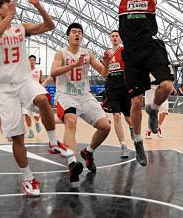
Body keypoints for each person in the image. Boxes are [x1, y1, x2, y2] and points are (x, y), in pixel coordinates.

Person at [0, 0, 72, 197]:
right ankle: (27, 178)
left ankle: (53, 142)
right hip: (4, 88)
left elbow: (50, 26)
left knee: (43, 98)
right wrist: (10, 17)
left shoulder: (20, 28)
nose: (11, 6)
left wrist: (38, 5)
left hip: (24, 80)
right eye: (7, 4)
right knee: (18, 138)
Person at [103, 0, 174, 166]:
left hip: (150, 46)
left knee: (166, 85)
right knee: (134, 102)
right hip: (131, 51)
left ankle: (153, 110)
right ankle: (138, 142)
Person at [50, 23, 112, 186]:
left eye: (80, 32)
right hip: (65, 95)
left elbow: (104, 73)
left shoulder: (88, 54)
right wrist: (73, 65)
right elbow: (53, 72)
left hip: (84, 95)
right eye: (74, 32)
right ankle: (72, 163)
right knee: (71, 122)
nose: (77, 34)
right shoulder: (61, 53)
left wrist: (106, 63)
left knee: (105, 126)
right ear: (68, 36)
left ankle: (88, 152)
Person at [101, 30, 133, 158]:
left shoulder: (125, 51)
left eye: (116, 36)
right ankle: (123, 145)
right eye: (112, 36)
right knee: (117, 116)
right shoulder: (107, 53)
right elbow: (105, 72)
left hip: (124, 85)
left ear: (120, 38)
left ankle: (134, 134)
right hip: (112, 86)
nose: (114, 37)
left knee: (129, 118)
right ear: (110, 39)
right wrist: (106, 62)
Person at [23, 55, 44, 138]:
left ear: (35, 61)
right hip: (26, 94)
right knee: (26, 114)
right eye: (30, 60)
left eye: (33, 60)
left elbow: (42, 82)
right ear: (28, 61)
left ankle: (37, 123)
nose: (32, 61)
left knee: (36, 114)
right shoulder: (24, 71)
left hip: (36, 94)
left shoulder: (39, 71)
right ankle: (30, 131)